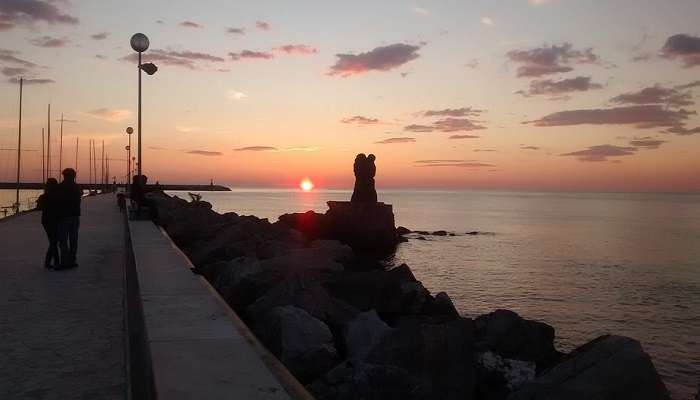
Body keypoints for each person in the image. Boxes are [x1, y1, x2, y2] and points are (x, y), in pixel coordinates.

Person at [56, 168, 82, 270]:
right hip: (74, 216)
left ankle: (65, 261)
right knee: (73, 240)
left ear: (64, 176)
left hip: (64, 217)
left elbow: (57, 202)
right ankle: (72, 260)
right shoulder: (77, 187)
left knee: (63, 240)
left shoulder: (60, 187)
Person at [36, 178, 60, 269]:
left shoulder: (43, 196)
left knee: (53, 241)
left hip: (46, 220)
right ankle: (55, 262)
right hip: (54, 220)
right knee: (54, 241)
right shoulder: (57, 196)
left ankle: (49, 262)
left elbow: (39, 208)